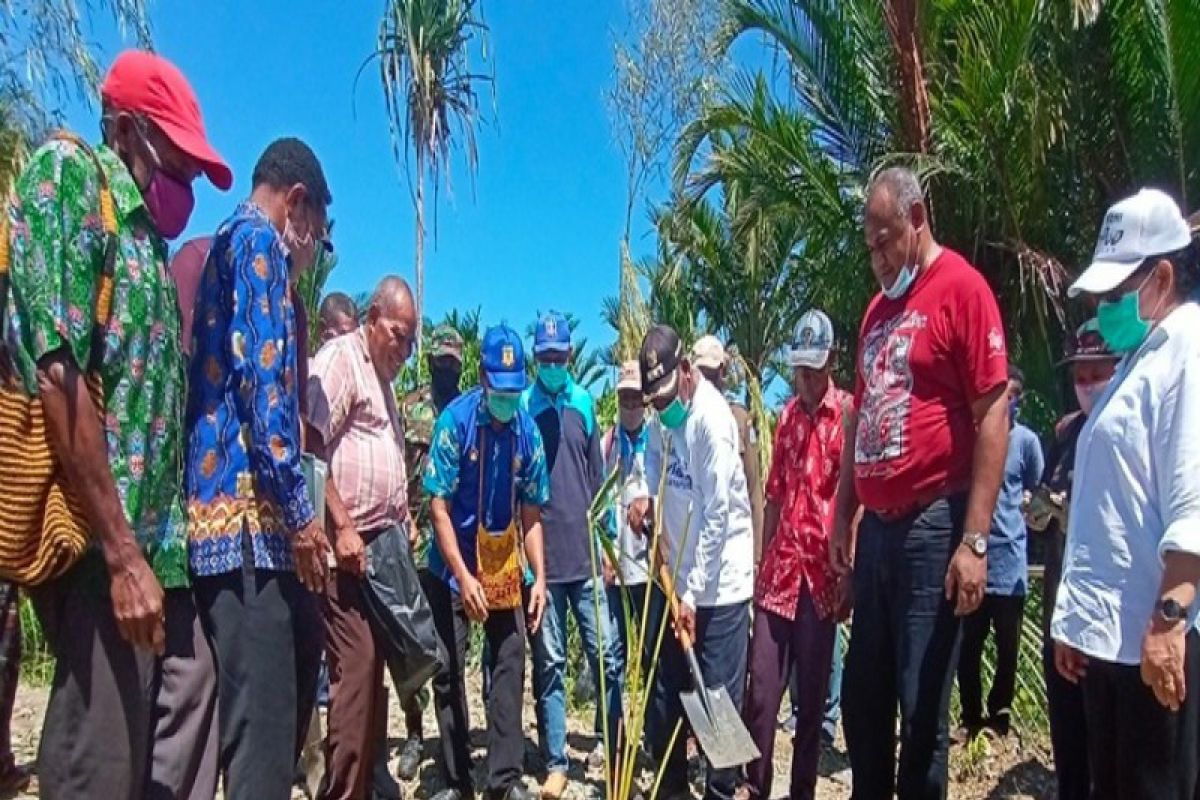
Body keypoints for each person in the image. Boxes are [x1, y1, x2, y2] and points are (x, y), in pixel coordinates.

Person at [1, 49, 230, 798]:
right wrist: (123, 552)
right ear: (127, 131)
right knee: (98, 766)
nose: (190, 182)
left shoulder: (145, 243)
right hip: (102, 554)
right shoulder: (72, 181)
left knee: (165, 742)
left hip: (156, 560)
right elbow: (58, 372)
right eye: (181, 158)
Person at [828, 166, 1009, 799]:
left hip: (935, 526)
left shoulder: (963, 289)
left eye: (886, 240)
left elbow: (992, 415)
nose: (878, 258)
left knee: (922, 705)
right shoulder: (876, 313)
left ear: (918, 219)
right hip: (876, 532)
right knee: (861, 701)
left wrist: (976, 540)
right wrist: (842, 517)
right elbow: (860, 420)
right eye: (870, 246)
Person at [185, 136, 333, 799]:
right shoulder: (261, 248)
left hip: (223, 528)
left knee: (250, 725)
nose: (310, 254)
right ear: (296, 205)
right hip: (250, 529)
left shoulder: (225, 240)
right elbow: (266, 389)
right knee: (265, 745)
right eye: (317, 238)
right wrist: (303, 519)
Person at [1051, 188, 1200, 800]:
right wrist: (1073, 618)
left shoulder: (1187, 353)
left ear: (1161, 277)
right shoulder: (1142, 357)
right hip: (1108, 645)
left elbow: (1192, 505)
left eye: (1116, 293)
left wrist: (1169, 624)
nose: (1105, 306)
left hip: (1152, 643)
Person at [628, 324, 755, 800]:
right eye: (654, 402)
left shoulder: (712, 422)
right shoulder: (666, 415)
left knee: (716, 707)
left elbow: (716, 516)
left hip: (718, 588)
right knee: (668, 698)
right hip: (676, 580)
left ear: (686, 370)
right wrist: (647, 503)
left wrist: (693, 595)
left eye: (665, 397)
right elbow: (656, 467)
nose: (662, 409)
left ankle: (723, 792)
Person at [422, 324, 548, 800]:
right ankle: (456, 781)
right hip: (453, 562)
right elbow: (438, 506)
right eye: (499, 391)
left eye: (515, 392)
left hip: (502, 564)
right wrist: (460, 575)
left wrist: (540, 578)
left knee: (510, 663)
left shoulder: (527, 432)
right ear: (482, 377)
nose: (507, 401)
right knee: (448, 667)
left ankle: (504, 779)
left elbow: (533, 514)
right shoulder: (454, 424)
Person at [305, 276, 417, 800]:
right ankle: (344, 790)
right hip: (341, 555)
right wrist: (342, 525)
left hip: (377, 556)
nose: (405, 350)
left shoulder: (383, 380)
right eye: (399, 335)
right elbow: (310, 439)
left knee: (375, 679)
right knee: (355, 674)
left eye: (411, 341)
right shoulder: (342, 359)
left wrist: (402, 513)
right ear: (373, 319)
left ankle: (366, 786)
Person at [742, 309, 850, 800]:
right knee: (762, 692)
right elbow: (774, 494)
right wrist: (760, 563)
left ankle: (801, 790)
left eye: (813, 368)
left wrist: (848, 571)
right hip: (779, 574)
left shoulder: (848, 414)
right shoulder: (785, 416)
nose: (804, 379)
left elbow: (858, 499)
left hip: (821, 580)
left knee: (811, 705)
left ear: (829, 362)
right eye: (798, 369)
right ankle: (752, 786)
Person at [522, 311, 618, 796]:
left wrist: (607, 545)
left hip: (585, 559)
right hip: (543, 565)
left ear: (571, 356)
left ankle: (612, 743)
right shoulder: (523, 406)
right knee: (551, 664)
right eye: (546, 358)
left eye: (560, 357)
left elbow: (598, 485)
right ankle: (556, 760)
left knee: (608, 654)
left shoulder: (583, 402)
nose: (553, 364)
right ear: (536, 357)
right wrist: (525, 563)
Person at [1026, 318, 1116, 800]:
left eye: (1095, 372)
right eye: (1079, 375)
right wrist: (1043, 508)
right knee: (1070, 752)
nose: (1086, 384)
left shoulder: (1129, 428)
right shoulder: (1066, 436)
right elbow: (1044, 500)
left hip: (1109, 625)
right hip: (1062, 611)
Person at [391, 323, 465, 784]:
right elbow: (394, 467)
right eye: (439, 362)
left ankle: (455, 738)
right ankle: (416, 733)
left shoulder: (468, 410)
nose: (445, 369)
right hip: (417, 541)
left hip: (458, 546)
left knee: (454, 646)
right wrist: (406, 522)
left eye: (452, 363)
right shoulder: (409, 406)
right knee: (414, 642)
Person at [957, 364, 1043, 738]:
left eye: (1015, 395)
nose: (1010, 401)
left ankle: (1001, 715)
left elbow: (1037, 489)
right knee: (968, 646)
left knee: (1008, 648)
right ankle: (970, 717)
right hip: (978, 558)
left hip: (1011, 560)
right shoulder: (974, 438)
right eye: (1004, 394)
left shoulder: (1026, 442)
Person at [600, 362, 662, 725]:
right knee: (613, 656)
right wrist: (606, 550)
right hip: (615, 568)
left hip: (649, 569)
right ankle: (612, 730)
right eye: (624, 396)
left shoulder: (657, 440)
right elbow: (601, 500)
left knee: (652, 653)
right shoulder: (608, 442)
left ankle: (653, 732)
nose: (630, 403)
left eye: (636, 396)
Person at [690, 336, 764, 563]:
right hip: (696, 552)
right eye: (702, 375)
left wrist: (757, 558)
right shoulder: (684, 425)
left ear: (722, 373)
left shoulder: (740, 421)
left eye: (712, 375)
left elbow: (754, 491)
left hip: (733, 551)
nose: (707, 383)